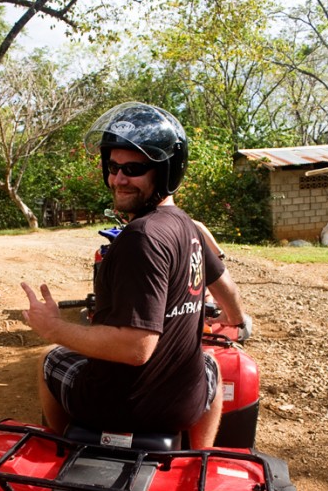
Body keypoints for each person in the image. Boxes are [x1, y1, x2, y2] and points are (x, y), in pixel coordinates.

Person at [21, 102, 249, 449]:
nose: (118, 179)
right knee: (211, 364)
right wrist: (236, 320)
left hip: (117, 405)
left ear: (165, 171)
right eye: (113, 167)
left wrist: (53, 328)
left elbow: (135, 348)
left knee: (49, 359)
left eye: (134, 169)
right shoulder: (190, 228)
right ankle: (200, 457)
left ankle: (60, 448)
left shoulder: (141, 237)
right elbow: (225, 287)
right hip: (182, 406)